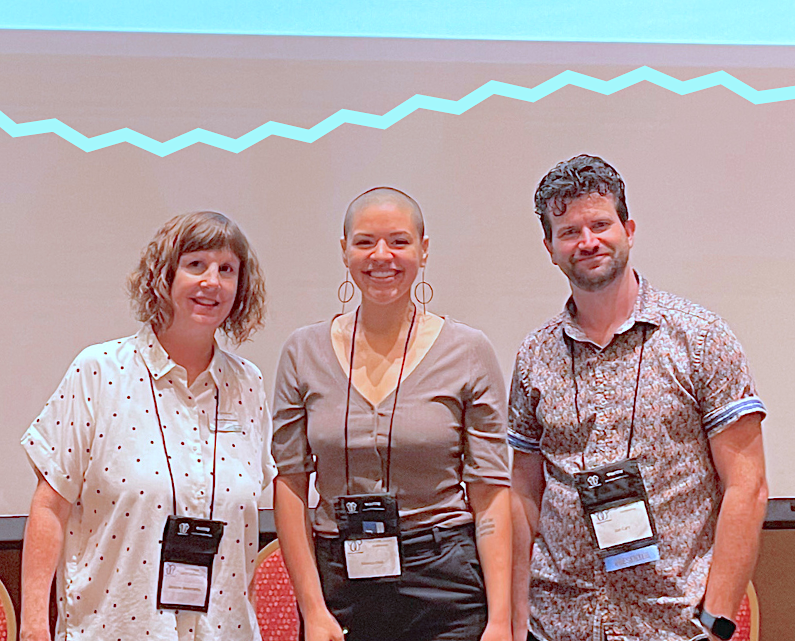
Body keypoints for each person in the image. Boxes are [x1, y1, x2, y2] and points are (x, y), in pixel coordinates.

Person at [509, 156, 768, 641]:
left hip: (674, 627)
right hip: (559, 626)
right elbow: (524, 491)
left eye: (600, 224)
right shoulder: (534, 355)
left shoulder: (700, 337)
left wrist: (716, 620)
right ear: (550, 248)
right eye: (569, 232)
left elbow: (747, 488)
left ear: (628, 228)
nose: (587, 242)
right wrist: (516, 615)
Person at [20, 211, 275, 641]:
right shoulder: (98, 372)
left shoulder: (249, 384)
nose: (212, 281)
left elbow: (241, 532)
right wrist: (32, 627)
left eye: (226, 269)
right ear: (164, 275)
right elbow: (49, 507)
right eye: (196, 265)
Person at [272, 187, 512, 641]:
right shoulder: (302, 351)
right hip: (340, 580)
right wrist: (313, 608)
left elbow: (489, 489)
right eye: (365, 242)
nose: (382, 255)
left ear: (424, 250)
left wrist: (500, 620)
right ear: (344, 252)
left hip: (445, 584)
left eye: (399, 241)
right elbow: (290, 484)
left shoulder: (468, 350)